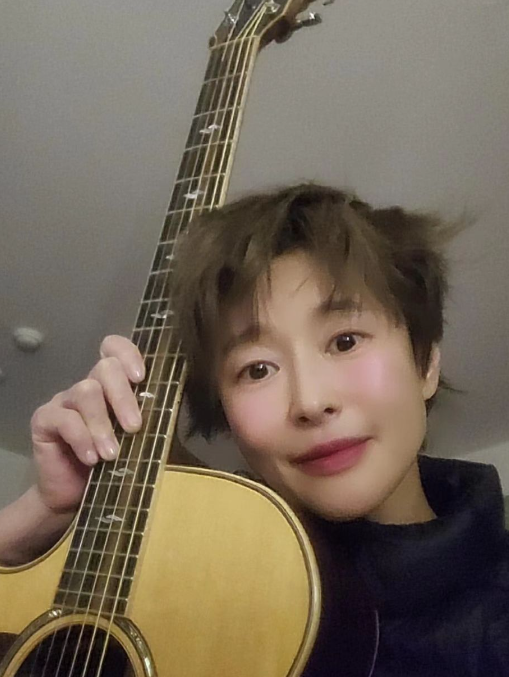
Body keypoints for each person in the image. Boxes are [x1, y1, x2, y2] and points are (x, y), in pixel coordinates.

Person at [1, 183, 508, 675]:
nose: (310, 402)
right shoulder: (187, 580)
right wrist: (34, 524)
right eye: (257, 369)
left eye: (346, 341)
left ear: (425, 363)